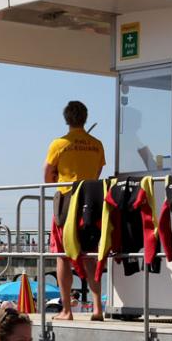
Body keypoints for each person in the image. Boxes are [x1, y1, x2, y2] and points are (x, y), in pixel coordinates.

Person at [44, 100, 105, 321]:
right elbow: (97, 173)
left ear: (66, 119)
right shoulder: (96, 144)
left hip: (67, 201)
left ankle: (67, 310)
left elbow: (48, 175)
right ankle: (98, 309)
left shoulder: (58, 144)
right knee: (89, 256)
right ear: (85, 118)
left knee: (62, 255)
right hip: (91, 201)